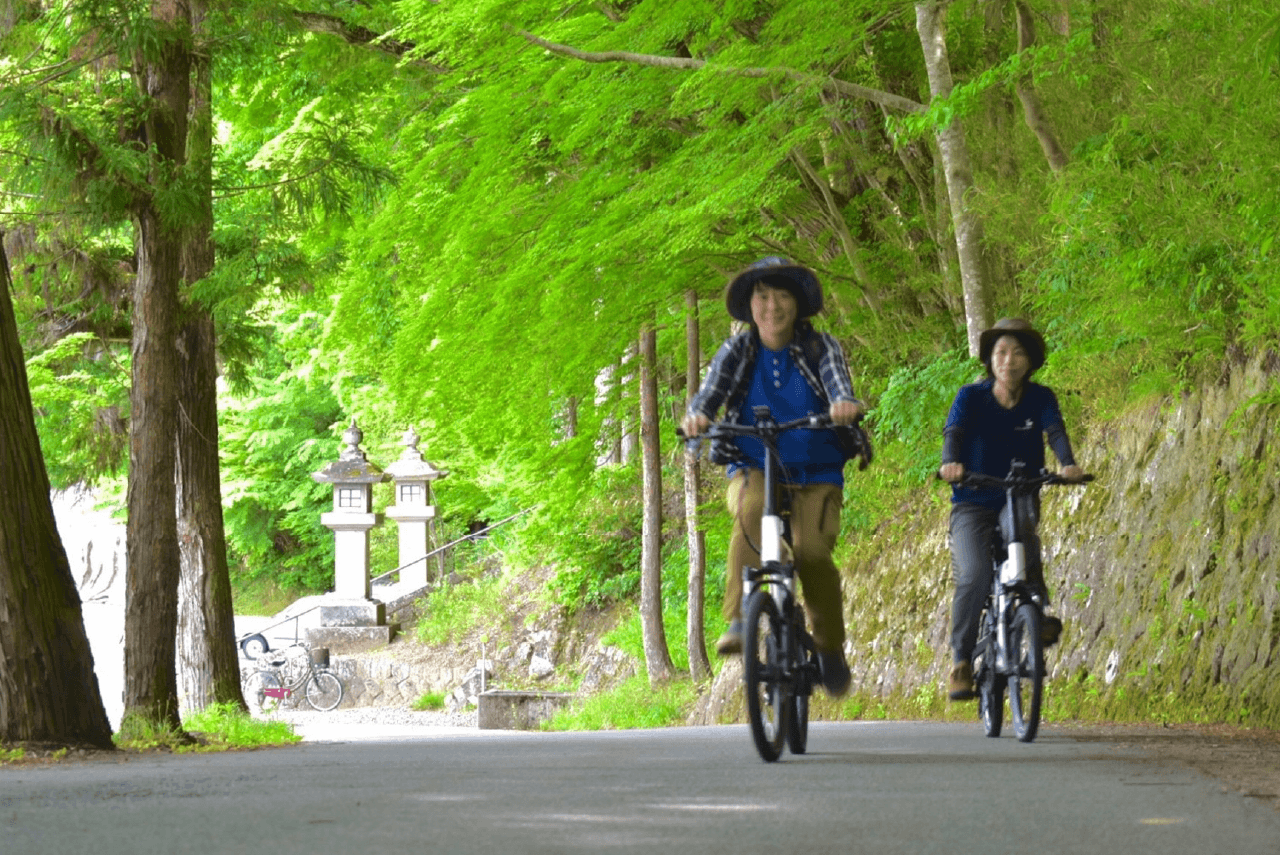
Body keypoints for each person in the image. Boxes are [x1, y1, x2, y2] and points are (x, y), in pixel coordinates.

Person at [682, 256, 865, 697]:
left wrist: (843, 405)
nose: (772, 306)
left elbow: (838, 383)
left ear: (797, 304)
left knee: (812, 553)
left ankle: (828, 648)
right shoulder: (738, 351)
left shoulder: (822, 348)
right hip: (753, 464)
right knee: (748, 510)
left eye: (782, 296)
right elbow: (709, 396)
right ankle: (741, 616)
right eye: (763, 296)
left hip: (817, 469)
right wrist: (698, 418)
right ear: (750, 305)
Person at [937, 317, 1084, 701]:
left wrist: (1067, 464)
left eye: (1018, 352)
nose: (1009, 360)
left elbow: (1055, 432)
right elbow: (954, 433)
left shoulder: (1041, 397)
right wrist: (952, 464)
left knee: (1023, 534)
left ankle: (1033, 610)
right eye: (1001, 352)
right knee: (974, 574)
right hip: (972, 501)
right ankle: (961, 660)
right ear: (990, 359)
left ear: (1030, 360)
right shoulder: (970, 397)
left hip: (1019, 492)